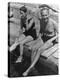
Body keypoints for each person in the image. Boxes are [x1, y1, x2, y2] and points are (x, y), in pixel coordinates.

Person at [22, 5, 58, 76]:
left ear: (49, 14)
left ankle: (29, 68)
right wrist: (38, 39)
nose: (44, 17)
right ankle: (33, 66)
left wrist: (50, 40)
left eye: (46, 15)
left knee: (39, 50)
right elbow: (41, 31)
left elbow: (59, 34)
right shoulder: (41, 20)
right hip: (43, 37)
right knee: (33, 48)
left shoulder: (53, 23)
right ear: (41, 15)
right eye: (43, 15)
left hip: (51, 40)